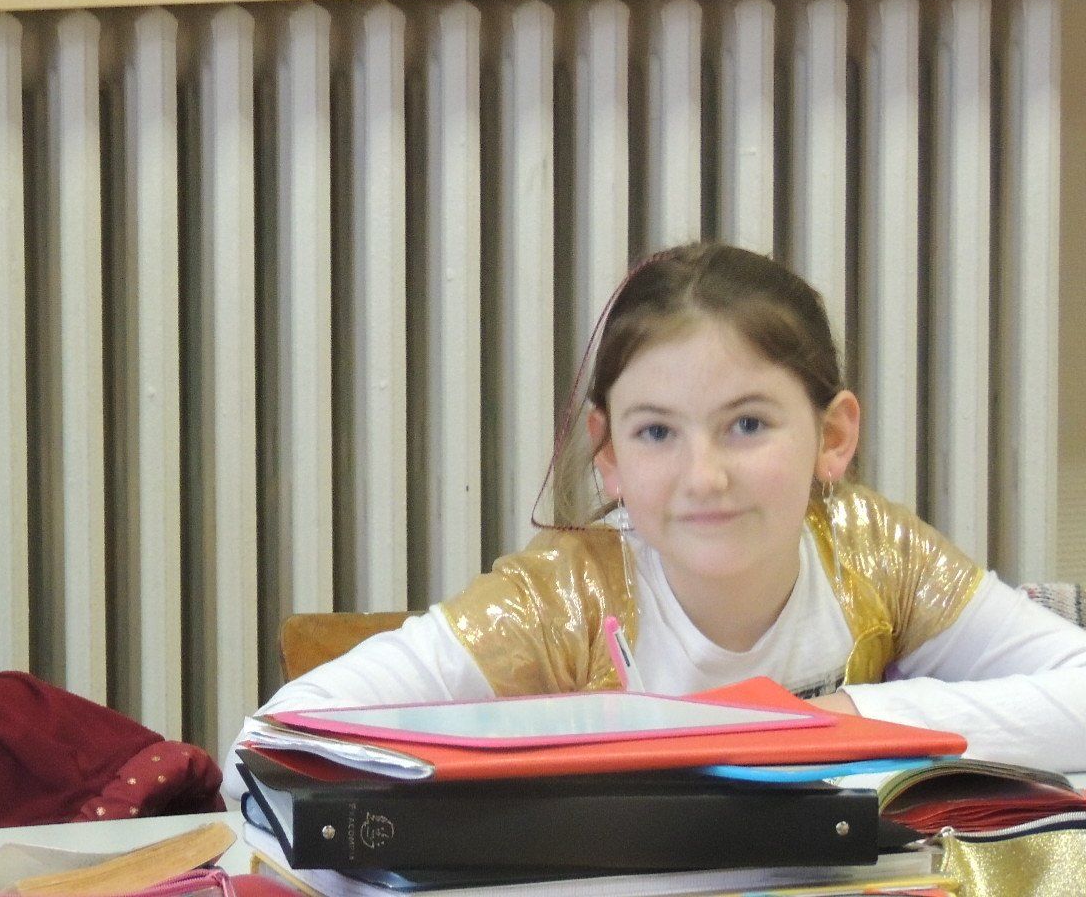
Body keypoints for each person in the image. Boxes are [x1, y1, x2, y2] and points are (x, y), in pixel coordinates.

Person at [226, 242, 1086, 800]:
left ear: (833, 436)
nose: (704, 477)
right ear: (608, 457)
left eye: (747, 424)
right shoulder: (559, 602)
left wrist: (846, 718)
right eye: (657, 433)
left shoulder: (873, 553)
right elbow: (267, 744)